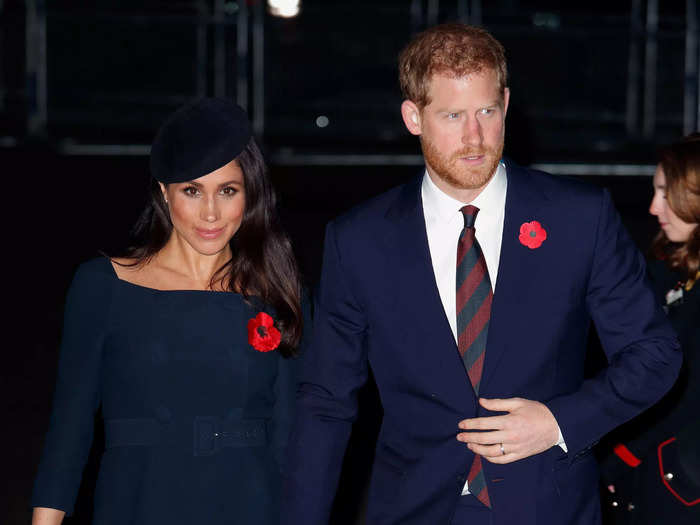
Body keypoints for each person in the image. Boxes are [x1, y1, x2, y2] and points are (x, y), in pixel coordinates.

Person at [281, 23, 681, 525]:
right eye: (452, 116)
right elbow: (325, 402)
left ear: (507, 104)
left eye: (487, 112)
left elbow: (654, 354)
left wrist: (560, 421)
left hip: (547, 507)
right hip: (413, 510)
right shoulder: (359, 240)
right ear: (413, 117)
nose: (474, 138)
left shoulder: (579, 218)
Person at [31, 98, 308, 524]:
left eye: (227, 191)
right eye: (192, 190)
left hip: (249, 507)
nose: (211, 212)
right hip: (137, 505)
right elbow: (69, 429)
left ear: (248, 195)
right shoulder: (104, 285)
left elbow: (291, 439)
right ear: (164, 192)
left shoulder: (277, 290)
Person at [601, 133, 700, 524]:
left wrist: (621, 456)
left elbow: (688, 395)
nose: (654, 206)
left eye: (665, 193)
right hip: (657, 471)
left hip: (682, 481)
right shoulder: (670, 269)